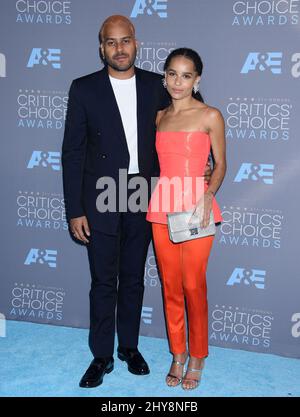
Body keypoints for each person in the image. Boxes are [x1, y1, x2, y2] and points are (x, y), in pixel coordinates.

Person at [147, 48, 226, 390]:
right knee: (170, 287)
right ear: (165, 77)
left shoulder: (210, 115)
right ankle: (178, 354)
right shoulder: (160, 117)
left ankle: (198, 357)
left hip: (196, 207)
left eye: (186, 75)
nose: (178, 82)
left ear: (197, 80)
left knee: (193, 285)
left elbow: (220, 164)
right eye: (172, 74)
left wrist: (208, 194)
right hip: (162, 206)